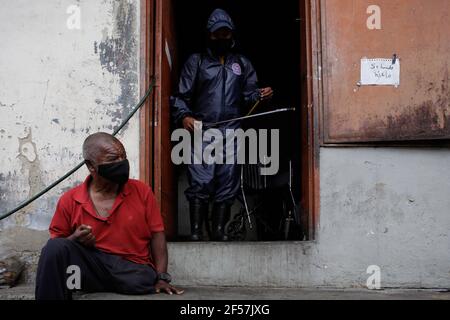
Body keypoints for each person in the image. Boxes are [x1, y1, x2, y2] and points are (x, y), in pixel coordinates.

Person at [35, 132, 184, 300]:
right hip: (89, 270)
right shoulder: (70, 199)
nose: (121, 162)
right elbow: (59, 248)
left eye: (124, 156)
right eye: (113, 159)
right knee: (53, 248)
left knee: (142, 279)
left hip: (131, 271)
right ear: (91, 166)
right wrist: (75, 238)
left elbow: (157, 235)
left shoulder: (141, 191)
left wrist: (162, 278)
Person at [171, 8, 273, 241]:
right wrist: (184, 116)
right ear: (209, 35)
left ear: (232, 35)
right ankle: (197, 231)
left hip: (232, 130)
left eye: (226, 34)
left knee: (228, 179)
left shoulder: (242, 64)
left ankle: (218, 231)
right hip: (202, 129)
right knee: (201, 179)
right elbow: (180, 96)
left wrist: (260, 95)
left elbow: (248, 97)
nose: (222, 38)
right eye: (217, 34)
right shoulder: (195, 62)